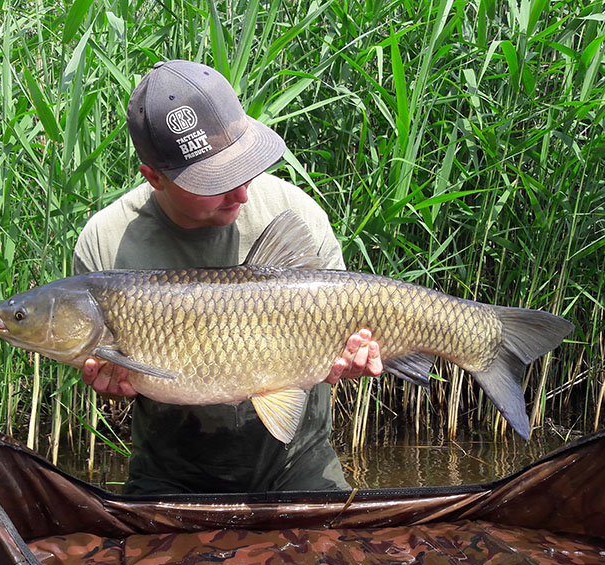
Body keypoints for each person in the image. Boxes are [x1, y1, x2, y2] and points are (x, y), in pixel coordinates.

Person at [72, 60, 382, 495]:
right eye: (214, 181)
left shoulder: (298, 214)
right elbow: (107, 372)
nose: (242, 193)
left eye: (243, 165)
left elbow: (348, 336)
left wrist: (350, 358)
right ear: (154, 177)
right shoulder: (106, 243)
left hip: (298, 461)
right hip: (171, 470)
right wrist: (112, 384)